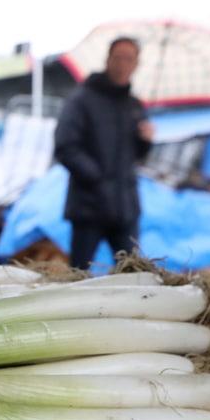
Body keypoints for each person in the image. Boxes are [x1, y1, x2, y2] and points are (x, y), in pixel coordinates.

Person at [54, 35, 154, 270]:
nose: (123, 64)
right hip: (89, 207)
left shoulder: (134, 106)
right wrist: (97, 178)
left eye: (129, 59)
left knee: (134, 273)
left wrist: (146, 140)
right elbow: (65, 146)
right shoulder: (82, 100)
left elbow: (137, 156)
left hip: (126, 209)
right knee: (78, 273)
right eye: (118, 57)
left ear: (136, 64)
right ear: (107, 59)